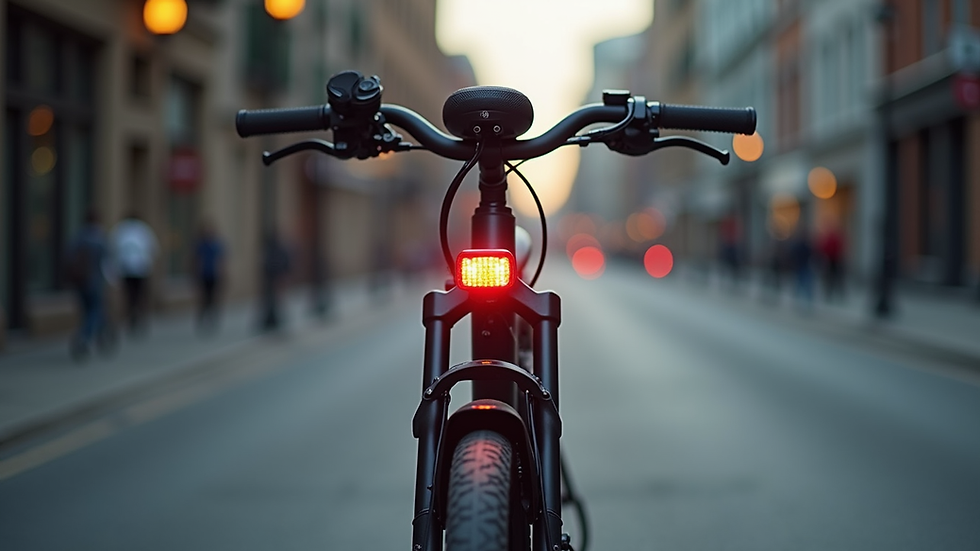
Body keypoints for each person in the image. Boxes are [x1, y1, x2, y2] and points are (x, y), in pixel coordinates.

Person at [67, 209, 111, 359]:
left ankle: (89, 334)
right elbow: (106, 260)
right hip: (94, 281)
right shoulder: (99, 238)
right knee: (95, 310)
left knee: (87, 310)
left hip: (80, 282)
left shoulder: (78, 236)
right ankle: (84, 336)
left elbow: (69, 257)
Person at [111, 212, 159, 333]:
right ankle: (137, 317)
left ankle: (133, 316)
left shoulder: (120, 230)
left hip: (128, 269)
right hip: (140, 268)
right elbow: (153, 249)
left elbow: (113, 249)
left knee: (130, 295)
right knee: (139, 295)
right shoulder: (143, 230)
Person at [193, 220, 225, 332]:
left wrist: (222, 274)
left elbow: (221, 261)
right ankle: (202, 318)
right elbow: (197, 260)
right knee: (203, 298)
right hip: (203, 275)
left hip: (214, 275)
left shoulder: (216, 245)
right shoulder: (200, 245)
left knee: (213, 298)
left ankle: (212, 318)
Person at [818, 225, 845, 302]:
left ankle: (830, 294)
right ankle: (835, 294)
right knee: (835, 279)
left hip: (832, 260)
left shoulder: (830, 239)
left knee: (832, 279)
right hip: (834, 260)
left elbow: (823, 248)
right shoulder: (835, 239)